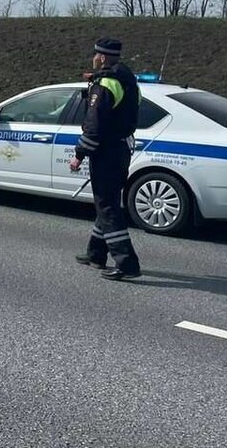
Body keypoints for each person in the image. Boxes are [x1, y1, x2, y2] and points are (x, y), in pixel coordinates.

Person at [70, 38, 142, 281]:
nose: (94, 57)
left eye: (96, 55)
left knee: (108, 206)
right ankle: (96, 253)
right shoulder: (127, 80)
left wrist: (79, 155)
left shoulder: (106, 84)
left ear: (102, 57)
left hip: (106, 151)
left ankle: (126, 263)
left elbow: (95, 124)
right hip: (121, 148)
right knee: (107, 201)